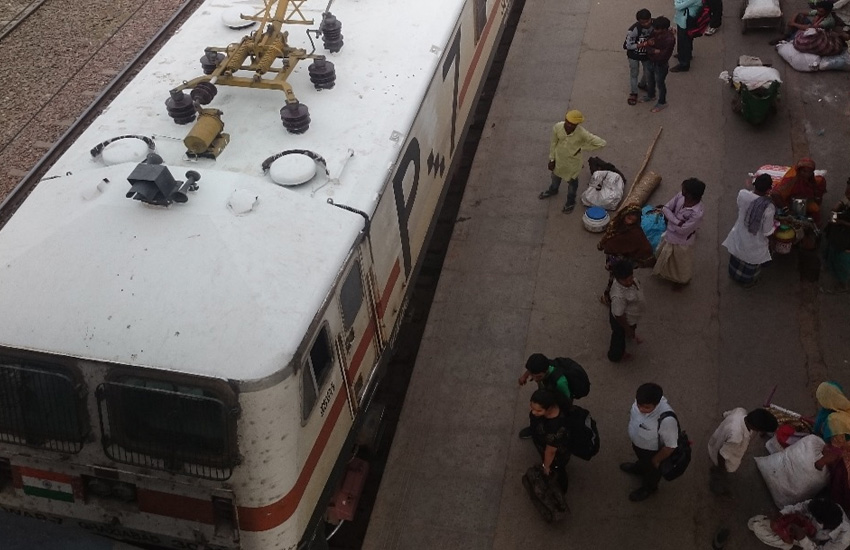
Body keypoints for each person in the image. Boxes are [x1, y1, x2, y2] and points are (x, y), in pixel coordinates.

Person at [539, 110, 607, 214]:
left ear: (577, 124)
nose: (569, 126)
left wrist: (582, 147)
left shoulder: (582, 133)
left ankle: (570, 202)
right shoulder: (558, 127)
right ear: (565, 120)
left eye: (572, 124)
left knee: (572, 184)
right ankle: (553, 190)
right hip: (558, 160)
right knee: (555, 177)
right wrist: (552, 159)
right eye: (567, 122)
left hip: (572, 164)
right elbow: (553, 143)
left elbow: (601, 143)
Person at [621, 382, 678, 501]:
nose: (641, 409)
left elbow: (671, 446)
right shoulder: (641, 401)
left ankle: (649, 488)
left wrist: (656, 460)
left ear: (657, 404)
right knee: (643, 462)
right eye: (639, 404)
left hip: (653, 452)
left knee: (652, 472)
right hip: (639, 445)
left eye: (646, 407)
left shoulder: (667, 420)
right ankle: (639, 468)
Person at [722, 174, 777, 288]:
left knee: (738, 256)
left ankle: (734, 275)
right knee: (751, 261)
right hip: (755, 243)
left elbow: (741, 206)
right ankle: (748, 281)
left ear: (754, 184)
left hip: (740, 234)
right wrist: (773, 241)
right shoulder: (768, 208)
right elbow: (767, 231)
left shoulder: (742, 194)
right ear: (768, 190)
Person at [707, 408, 778, 496]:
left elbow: (726, 414)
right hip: (721, 459)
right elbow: (722, 455)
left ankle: (715, 470)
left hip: (717, 441)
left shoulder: (740, 411)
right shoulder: (737, 438)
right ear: (756, 428)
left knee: (717, 467)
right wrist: (722, 469)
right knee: (719, 477)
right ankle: (717, 489)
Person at [652, 178, 706, 286]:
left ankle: (682, 281)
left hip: (681, 242)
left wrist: (671, 220)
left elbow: (682, 231)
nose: (682, 191)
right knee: (664, 255)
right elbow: (665, 208)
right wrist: (677, 221)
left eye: (684, 190)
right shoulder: (680, 196)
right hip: (670, 235)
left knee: (680, 265)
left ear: (690, 195)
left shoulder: (697, 213)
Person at [597, 203, 655, 303]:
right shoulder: (616, 224)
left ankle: (608, 298)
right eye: (630, 214)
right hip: (612, 257)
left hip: (622, 262)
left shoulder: (636, 233)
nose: (632, 217)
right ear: (625, 213)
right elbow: (608, 237)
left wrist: (636, 261)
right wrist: (603, 245)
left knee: (615, 279)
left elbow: (646, 249)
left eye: (635, 215)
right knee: (615, 277)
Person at [748, 497, 850, 549]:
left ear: (820, 522)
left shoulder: (844, 538)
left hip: (812, 542)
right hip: (800, 526)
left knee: (785, 543)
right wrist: (782, 514)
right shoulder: (828, 506)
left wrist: (802, 538)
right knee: (756, 522)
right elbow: (801, 507)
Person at [812, 382, 850, 512]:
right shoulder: (846, 408)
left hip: (846, 456)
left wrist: (821, 462)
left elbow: (837, 451)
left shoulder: (835, 421)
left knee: (840, 481)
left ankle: (841, 508)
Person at [518, 354, 573, 438]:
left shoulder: (560, 382)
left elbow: (567, 399)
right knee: (535, 415)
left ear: (546, 370)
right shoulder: (540, 366)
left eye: (538, 376)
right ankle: (534, 429)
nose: (535, 379)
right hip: (546, 395)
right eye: (532, 375)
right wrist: (524, 376)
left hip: (554, 403)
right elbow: (530, 370)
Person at [529, 389, 571, 493]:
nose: (533, 412)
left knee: (557, 469)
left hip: (557, 455)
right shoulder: (555, 403)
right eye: (532, 408)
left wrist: (546, 467)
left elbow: (550, 451)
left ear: (549, 409)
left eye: (539, 411)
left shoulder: (555, 429)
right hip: (548, 446)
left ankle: (561, 488)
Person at [608, 261, 645, 363]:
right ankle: (616, 355)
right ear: (618, 279)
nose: (629, 282)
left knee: (632, 327)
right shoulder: (618, 296)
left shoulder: (632, 281)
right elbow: (619, 315)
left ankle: (631, 334)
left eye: (630, 278)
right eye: (625, 280)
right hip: (621, 321)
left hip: (631, 316)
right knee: (618, 337)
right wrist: (627, 329)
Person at [770, 158, 827, 225]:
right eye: (804, 171)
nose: (807, 174)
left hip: (804, 200)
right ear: (799, 171)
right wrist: (786, 210)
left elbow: (818, 194)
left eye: (809, 172)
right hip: (789, 201)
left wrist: (817, 198)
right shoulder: (791, 180)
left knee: (815, 211)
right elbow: (775, 193)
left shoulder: (815, 180)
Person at [640, 16, 676, 113]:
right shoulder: (655, 32)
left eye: (657, 29)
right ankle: (651, 95)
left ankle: (662, 102)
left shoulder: (669, 39)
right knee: (650, 80)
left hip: (660, 65)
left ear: (664, 29)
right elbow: (648, 44)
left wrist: (651, 49)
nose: (654, 30)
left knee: (660, 83)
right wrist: (653, 50)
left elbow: (663, 55)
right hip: (651, 61)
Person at [822, 179, 850, 293]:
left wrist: (841, 223)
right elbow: (834, 210)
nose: (847, 191)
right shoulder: (847, 199)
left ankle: (843, 285)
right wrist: (842, 202)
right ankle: (829, 266)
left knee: (842, 259)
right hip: (839, 231)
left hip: (846, 238)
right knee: (831, 248)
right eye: (847, 187)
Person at [625, 9, 654, 106]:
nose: (646, 24)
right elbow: (628, 46)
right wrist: (644, 44)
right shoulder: (634, 30)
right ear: (638, 21)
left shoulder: (655, 24)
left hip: (646, 55)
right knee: (634, 73)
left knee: (648, 72)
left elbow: (664, 27)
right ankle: (634, 93)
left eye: (647, 21)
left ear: (650, 18)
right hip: (634, 55)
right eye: (643, 22)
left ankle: (642, 84)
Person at [772, 0, 837, 44]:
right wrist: (792, 22)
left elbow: (811, 28)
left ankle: (788, 40)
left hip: (819, 34)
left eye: (821, 11)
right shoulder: (818, 13)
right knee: (800, 16)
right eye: (818, 10)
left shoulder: (828, 21)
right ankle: (786, 35)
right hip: (812, 26)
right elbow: (798, 12)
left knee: (802, 30)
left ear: (828, 12)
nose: (818, 12)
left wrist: (794, 24)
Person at [672, 0, 703, 72]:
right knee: (685, 40)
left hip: (685, 22)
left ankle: (684, 64)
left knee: (684, 42)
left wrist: (678, 2)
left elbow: (678, 6)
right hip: (683, 20)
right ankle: (685, 55)